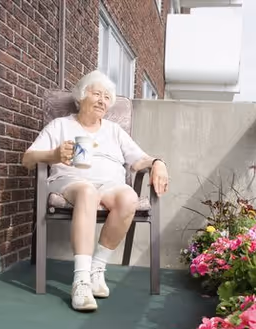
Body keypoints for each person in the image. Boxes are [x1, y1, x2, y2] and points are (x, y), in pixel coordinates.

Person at [22, 70, 168, 312]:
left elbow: (140, 159)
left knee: (129, 197)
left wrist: (158, 163)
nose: (103, 100)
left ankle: (97, 269)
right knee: (88, 192)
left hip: (110, 185)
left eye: (107, 97)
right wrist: (54, 155)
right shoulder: (60, 125)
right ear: (81, 96)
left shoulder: (114, 131)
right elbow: (27, 159)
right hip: (71, 182)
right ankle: (80, 280)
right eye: (97, 94)